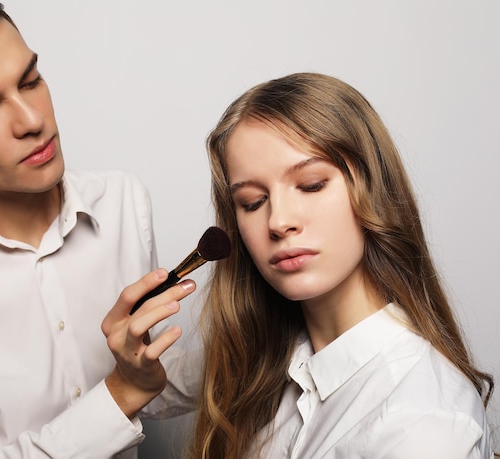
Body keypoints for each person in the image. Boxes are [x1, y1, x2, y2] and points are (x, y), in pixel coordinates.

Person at [0, 0, 197, 457]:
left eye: (31, 81)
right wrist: (120, 392)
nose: (33, 121)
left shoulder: (123, 202)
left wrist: (265, 339)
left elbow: (151, 385)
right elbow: (126, 395)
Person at [189, 72, 496, 458]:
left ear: (371, 188)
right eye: (252, 202)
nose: (279, 221)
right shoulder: (274, 382)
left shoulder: (420, 422)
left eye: (312, 184)